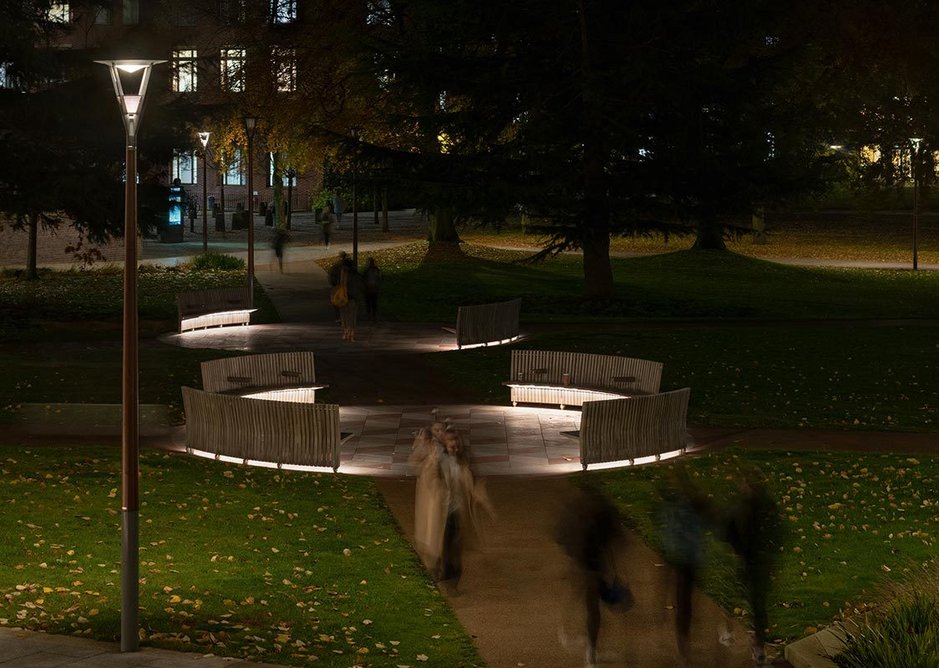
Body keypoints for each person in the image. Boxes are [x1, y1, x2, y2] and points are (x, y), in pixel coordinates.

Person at [555, 486, 631, 668]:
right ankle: (589, 651)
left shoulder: (582, 515)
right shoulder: (600, 516)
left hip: (589, 565)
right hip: (591, 566)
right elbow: (614, 543)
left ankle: (586, 645)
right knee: (592, 609)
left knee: (590, 607)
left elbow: (563, 538)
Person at [721, 470, 782, 667]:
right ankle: (759, 648)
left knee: (738, 593)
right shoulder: (766, 506)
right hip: (760, 561)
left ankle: (730, 630)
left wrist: (736, 548)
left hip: (749, 560)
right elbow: (775, 530)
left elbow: (729, 530)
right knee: (758, 604)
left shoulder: (742, 507)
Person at [657, 466, 713, 667]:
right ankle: (684, 646)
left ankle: (683, 649)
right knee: (686, 604)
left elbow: (671, 534)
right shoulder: (692, 505)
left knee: (683, 604)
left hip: (682, 559)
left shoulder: (677, 506)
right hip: (690, 559)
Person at [337, 261, 362, 341]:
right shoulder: (355, 275)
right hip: (353, 298)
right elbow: (360, 285)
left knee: (344, 316)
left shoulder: (342, 275)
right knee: (352, 316)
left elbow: (336, 285)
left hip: (343, 298)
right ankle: (351, 334)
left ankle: (345, 332)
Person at [363, 257, 382, 322]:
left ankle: (373, 316)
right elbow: (364, 279)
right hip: (368, 289)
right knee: (368, 302)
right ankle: (369, 315)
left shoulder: (376, 270)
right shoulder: (366, 271)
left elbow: (379, 278)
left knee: (374, 303)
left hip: (374, 289)